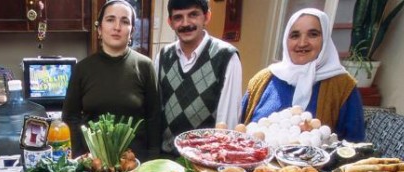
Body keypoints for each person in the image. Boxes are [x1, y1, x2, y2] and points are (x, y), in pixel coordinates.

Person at [241, 8, 365, 141]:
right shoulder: (262, 80)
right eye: (295, 35)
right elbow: (239, 131)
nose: (302, 43)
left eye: (313, 34)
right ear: (286, 40)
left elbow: (354, 145)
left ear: (325, 40)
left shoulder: (343, 86)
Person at [62, 0, 161, 161]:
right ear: (100, 29)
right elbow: (70, 117)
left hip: (135, 163)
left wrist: (153, 161)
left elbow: (154, 118)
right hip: (94, 164)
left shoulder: (145, 66)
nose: (117, 27)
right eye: (110, 20)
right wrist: (80, 157)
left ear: (132, 31)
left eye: (125, 21)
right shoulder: (82, 69)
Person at [155, 0, 242, 155]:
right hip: (166, 158)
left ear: (207, 16)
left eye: (193, 14)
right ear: (170, 22)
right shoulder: (163, 56)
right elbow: (156, 108)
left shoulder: (226, 57)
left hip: (203, 164)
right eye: (178, 17)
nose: (186, 23)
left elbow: (226, 124)